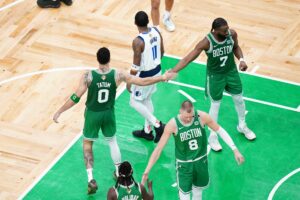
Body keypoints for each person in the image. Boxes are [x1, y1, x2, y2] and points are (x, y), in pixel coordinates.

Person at [53, 47, 174, 195]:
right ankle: (118, 171)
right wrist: (161, 78)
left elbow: (75, 98)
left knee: (87, 145)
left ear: (98, 59)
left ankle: (91, 178)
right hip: (108, 113)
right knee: (112, 142)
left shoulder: (88, 76)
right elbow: (142, 81)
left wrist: (60, 111)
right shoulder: (118, 75)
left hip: (92, 114)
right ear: (109, 59)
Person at [171, 17, 256, 152]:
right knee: (215, 105)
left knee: (239, 99)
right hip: (215, 77)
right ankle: (213, 136)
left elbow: (236, 47)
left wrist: (242, 60)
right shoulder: (206, 42)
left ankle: (242, 125)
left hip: (231, 72)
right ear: (215, 31)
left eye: (227, 28)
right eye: (224, 31)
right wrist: (173, 71)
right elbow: (187, 59)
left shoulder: (232, 34)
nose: (227, 32)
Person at [142, 100, 245, 200]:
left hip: (201, 162)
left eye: (191, 117)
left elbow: (219, 130)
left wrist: (234, 149)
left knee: (198, 193)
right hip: (184, 165)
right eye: (186, 117)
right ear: (180, 111)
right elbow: (158, 150)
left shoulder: (201, 116)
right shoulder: (172, 124)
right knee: (184, 195)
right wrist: (147, 171)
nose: (188, 119)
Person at [128, 11, 166, 143]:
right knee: (147, 100)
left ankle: (158, 125)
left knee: (133, 102)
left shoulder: (138, 41)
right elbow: (162, 51)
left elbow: (135, 66)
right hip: (157, 71)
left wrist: (129, 80)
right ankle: (147, 131)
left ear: (135, 23)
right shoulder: (156, 31)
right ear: (148, 20)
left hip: (144, 76)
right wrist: (154, 65)